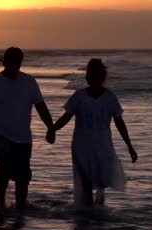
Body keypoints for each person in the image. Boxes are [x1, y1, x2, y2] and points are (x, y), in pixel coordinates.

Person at [46, 59, 137, 208]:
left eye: (98, 75)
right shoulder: (79, 96)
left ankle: (97, 214)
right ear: (88, 77)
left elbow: (119, 122)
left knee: (101, 182)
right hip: (82, 145)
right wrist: (52, 129)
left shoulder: (110, 98)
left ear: (102, 77)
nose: (95, 78)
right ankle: (88, 214)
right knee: (86, 182)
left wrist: (129, 146)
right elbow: (66, 117)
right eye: (92, 75)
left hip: (103, 145)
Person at [0, 47, 54, 209]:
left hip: (23, 138)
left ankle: (20, 208)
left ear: (20, 63)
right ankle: (0, 203)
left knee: (23, 176)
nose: (14, 66)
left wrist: (50, 128)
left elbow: (41, 107)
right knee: (3, 169)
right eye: (11, 62)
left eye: (17, 63)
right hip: (1, 136)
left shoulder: (29, 82)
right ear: (4, 62)